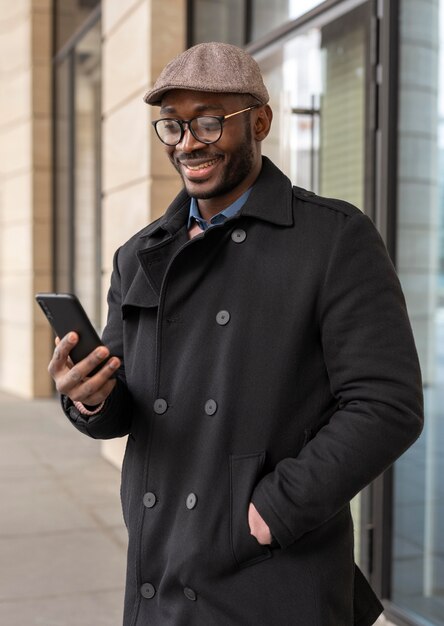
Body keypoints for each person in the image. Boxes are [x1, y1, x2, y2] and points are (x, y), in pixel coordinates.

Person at [49, 42, 423, 626]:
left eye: (208, 122)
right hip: (161, 565)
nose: (188, 144)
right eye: (172, 126)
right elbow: (125, 406)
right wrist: (90, 395)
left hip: (272, 570)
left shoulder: (332, 239)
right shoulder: (139, 255)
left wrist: (276, 508)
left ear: (261, 121)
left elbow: (387, 404)